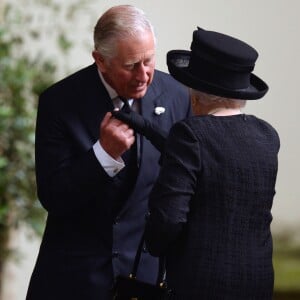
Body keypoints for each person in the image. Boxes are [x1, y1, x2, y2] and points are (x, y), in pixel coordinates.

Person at [25, 5, 191, 300]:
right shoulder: (60, 102)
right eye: (130, 65)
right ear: (100, 60)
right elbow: (53, 196)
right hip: (76, 279)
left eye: (149, 60)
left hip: (146, 278)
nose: (144, 75)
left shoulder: (178, 95)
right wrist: (103, 155)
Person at [142, 28, 280, 299]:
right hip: (258, 283)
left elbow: (169, 219)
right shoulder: (268, 135)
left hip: (199, 285)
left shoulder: (190, 134)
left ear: (195, 94)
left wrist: (153, 242)